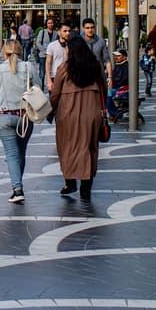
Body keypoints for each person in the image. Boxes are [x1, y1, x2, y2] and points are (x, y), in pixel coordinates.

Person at [48, 33, 107, 199]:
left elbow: (55, 93)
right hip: (92, 113)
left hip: (68, 114)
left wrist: (49, 111)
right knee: (89, 147)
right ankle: (86, 187)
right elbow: (104, 88)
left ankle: (70, 181)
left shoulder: (65, 68)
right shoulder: (95, 66)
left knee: (68, 148)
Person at [0, 39, 33, 204]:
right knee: (20, 153)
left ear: (4, 52)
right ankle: (17, 185)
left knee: (12, 154)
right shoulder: (28, 67)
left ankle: (17, 188)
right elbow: (37, 88)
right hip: (25, 116)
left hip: (5, 115)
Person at [44, 20, 72, 92]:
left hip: (69, 77)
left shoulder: (73, 46)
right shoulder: (52, 46)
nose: (67, 33)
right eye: (65, 31)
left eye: (69, 31)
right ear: (59, 32)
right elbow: (48, 63)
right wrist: (49, 81)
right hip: (55, 76)